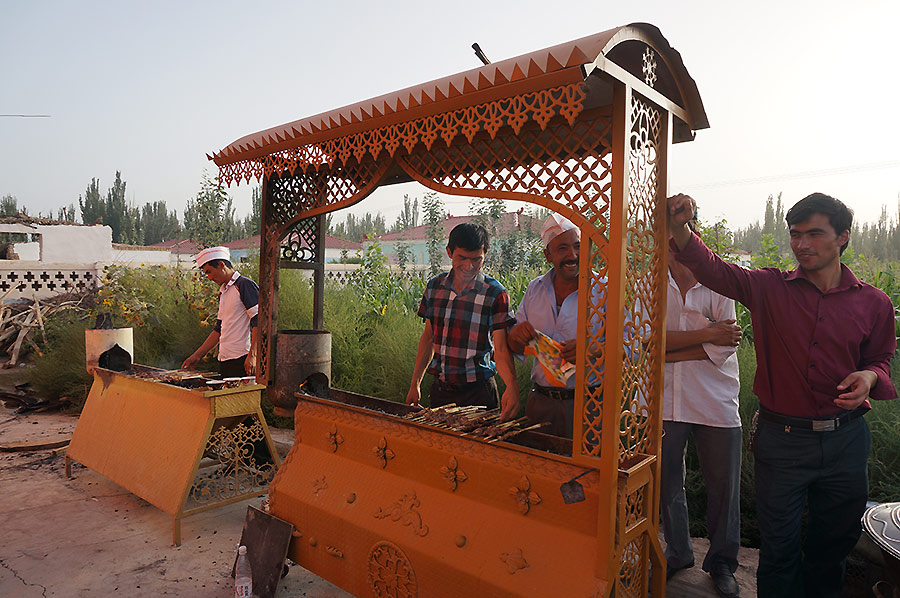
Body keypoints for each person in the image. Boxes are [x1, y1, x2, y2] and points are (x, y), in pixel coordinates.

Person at [667, 192, 897, 598]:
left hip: (845, 442)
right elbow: (713, 269)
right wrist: (680, 226)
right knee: (779, 550)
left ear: (843, 237)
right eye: (795, 234)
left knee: (832, 548)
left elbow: (880, 359)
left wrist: (869, 377)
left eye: (814, 234)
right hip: (783, 442)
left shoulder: (873, 303)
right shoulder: (768, 287)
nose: (802, 244)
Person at [661, 222, 743, 598]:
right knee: (666, 483)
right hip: (664, 399)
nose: (674, 239)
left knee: (722, 485)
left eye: (682, 230)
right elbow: (642, 342)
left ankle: (723, 561)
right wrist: (707, 334)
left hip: (715, 400)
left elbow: (727, 347)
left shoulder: (719, 279)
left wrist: (670, 350)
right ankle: (677, 553)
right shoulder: (648, 283)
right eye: (667, 231)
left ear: (693, 234)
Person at [406, 223, 519, 420]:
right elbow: (429, 338)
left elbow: (501, 349)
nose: (469, 267)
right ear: (449, 252)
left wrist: (512, 386)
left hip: (479, 392)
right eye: (462, 258)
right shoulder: (435, 287)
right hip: (441, 392)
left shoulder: (495, 294)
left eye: (477, 260)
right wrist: (415, 383)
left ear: (485, 254)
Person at [506, 214, 604, 438]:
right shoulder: (534, 289)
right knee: (539, 470)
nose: (573, 255)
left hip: (590, 406)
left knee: (587, 471)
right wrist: (515, 336)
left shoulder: (604, 290)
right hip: (540, 404)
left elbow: (631, 345)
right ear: (548, 256)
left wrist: (592, 349)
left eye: (578, 246)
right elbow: (516, 346)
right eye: (562, 249)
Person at [182, 246, 259, 378]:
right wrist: (196, 356)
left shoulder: (244, 285)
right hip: (225, 358)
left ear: (221, 265)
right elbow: (219, 329)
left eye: (209, 272)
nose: (209, 277)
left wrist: (253, 355)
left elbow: (260, 321)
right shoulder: (223, 291)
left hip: (243, 358)